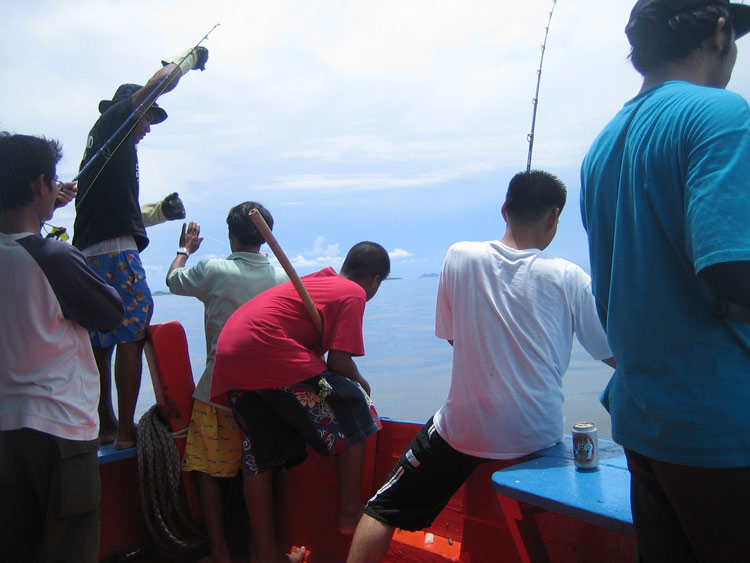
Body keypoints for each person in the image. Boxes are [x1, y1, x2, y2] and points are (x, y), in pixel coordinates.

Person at [346, 170, 614, 563]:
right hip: (536, 437)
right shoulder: (571, 277)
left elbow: (454, 337)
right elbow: (611, 354)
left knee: (381, 508)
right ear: (554, 217)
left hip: (463, 431)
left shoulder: (459, 256)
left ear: (504, 210)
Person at [580, 1, 750, 560]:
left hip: (646, 421)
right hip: (722, 424)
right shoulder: (721, 113)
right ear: (721, 31)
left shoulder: (601, 146)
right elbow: (729, 266)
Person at [210, 242, 391, 563]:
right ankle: (350, 513)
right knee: (356, 406)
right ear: (375, 281)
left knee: (258, 456)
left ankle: (265, 553)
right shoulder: (353, 292)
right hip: (266, 350)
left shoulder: (319, 282)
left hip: (231, 357)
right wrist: (362, 382)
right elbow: (338, 361)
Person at [73, 46, 209, 449]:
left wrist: (162, 212)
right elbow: (160, 83)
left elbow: (118, 211)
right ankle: (126, 431)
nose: (148, 126)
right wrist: (188, 59)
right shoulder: (114, 122)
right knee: (131, 335)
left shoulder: (104, 150)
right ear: (132, 110)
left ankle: (106, 423)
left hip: (88, 255)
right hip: (116, 255)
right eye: (147, 117)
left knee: (100, 340)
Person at [0, 133, 124, 562]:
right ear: (38, 185)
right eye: (52, 181)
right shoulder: (53, 257)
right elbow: (111, 313)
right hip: (58, 435)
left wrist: (47, 205)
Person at [166, 202, 288, 563]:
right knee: (262, 470)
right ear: (267, 236)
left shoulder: (214, 269)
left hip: (219, 391)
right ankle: (259, 548)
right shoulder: (284, 278)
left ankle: (219, 551)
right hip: (267, 395)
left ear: (232, 235)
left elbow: (172, 281)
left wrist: (184, 250)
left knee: (207, 469)